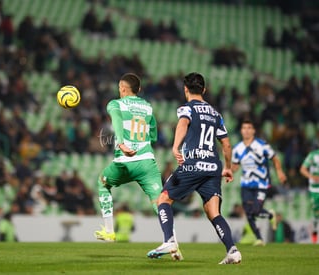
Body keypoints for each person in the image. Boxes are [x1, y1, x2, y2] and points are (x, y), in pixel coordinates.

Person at [147, 72, 241, 264]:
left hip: (194, 164)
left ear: (185, 89)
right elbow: (226, 144)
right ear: (204, 90)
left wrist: (175, 146)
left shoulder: (187, 108)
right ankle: (232, 251)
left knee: (163, 198)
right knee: (213, 212)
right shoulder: (216, 114)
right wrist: (228, 168)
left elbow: (183, 124)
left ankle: (169, 241)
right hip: (214, 167)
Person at [94, 73, 163, 242]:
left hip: (125, 161)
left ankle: (109, 231)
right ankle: (172, 241)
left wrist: (122, 143)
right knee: (160, 202)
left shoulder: (115, 104)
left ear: (123, 89)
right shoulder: (148, 107)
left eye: (119, 88)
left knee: (103, 183)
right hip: (147, 162)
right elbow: (153, 136)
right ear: (138, 89)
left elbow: (116, 120)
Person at [232, 119, 287, 246]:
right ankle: (259, 238)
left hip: (261, 184)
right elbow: (235, 166)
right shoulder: (238, 148)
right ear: (241, 131)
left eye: (249, 128)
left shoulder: (262, 145)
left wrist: (279, 172)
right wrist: (229, 171)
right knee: (248, 213)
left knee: (255, 210)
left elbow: (275, 158)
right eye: (244, 128)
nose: (246, 130)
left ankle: (269, 215)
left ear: (253, 131)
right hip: (245, 184)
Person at [299, 148, 319, 243]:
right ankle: (315, 231)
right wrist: (312, 177)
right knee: (316, 211)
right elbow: (302, 169)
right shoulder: (313, 155)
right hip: (315, 188)